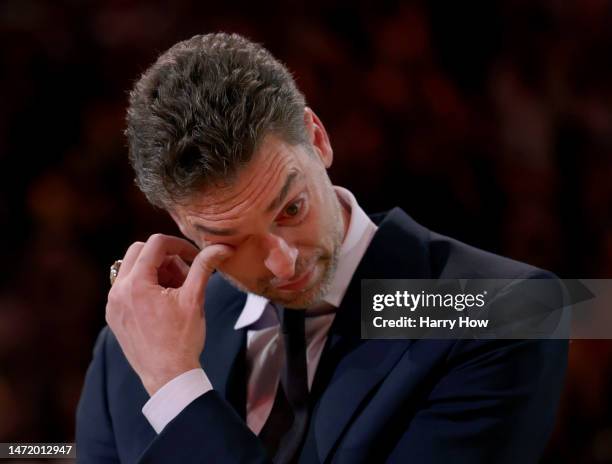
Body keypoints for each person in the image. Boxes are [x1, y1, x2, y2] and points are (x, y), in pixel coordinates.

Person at [76, 33, 568, 464]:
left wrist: (179, 391)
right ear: (178, 221)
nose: (282, 260)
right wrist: (169, 372)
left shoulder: (511, 309)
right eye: (230, 239)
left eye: (290, 208)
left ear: (317, 138)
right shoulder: (130, 355)